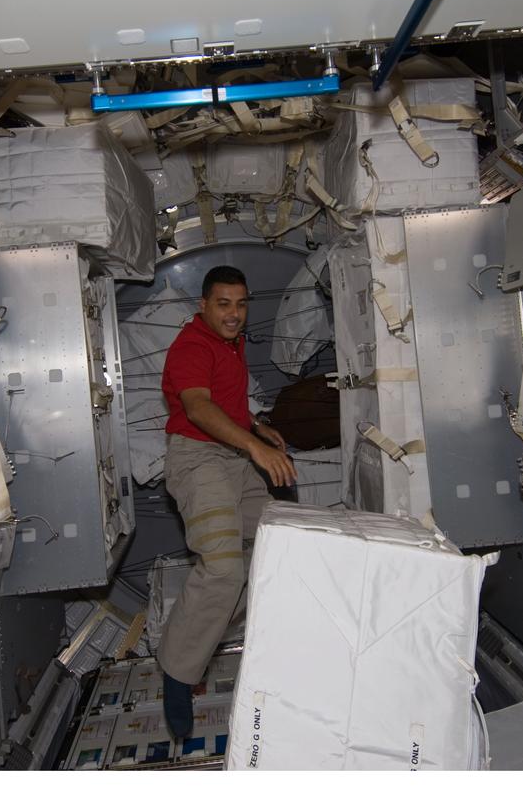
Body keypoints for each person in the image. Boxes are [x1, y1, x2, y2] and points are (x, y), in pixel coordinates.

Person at [156, 265, 297, 740]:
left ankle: (201, 632)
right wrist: (256, 448)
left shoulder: (229, 343)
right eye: (223, 304)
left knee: (282, 549)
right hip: (200, 461)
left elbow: (224, 400)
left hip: (233, 458)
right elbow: (198, 407)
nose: (234, 314)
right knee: (222, 570)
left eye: (240, 304)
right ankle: (177, 672)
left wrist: (255, 426)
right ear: (203, 306)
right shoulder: (192, 346)